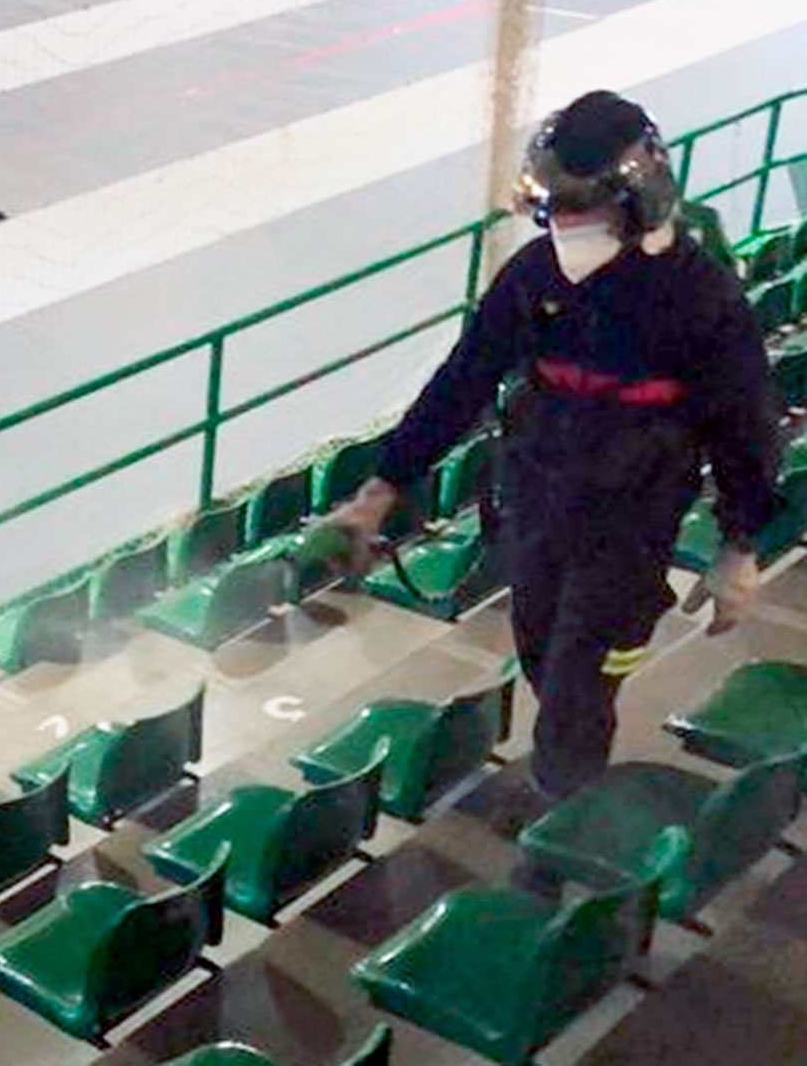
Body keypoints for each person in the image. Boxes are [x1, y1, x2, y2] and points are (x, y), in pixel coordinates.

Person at [319, 90, 777, 817]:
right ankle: (566, 777)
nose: (562, 229)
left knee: (579, 681)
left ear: (636, 200)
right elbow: (463, 379)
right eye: (554, 210)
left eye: (577, 210)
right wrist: (383, 486)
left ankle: (565, 820)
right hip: (538, 502)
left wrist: (740, 546)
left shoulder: (701, 300)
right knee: (539, 647)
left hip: (630, 524)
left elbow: (745, 426)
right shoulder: (535, 278)